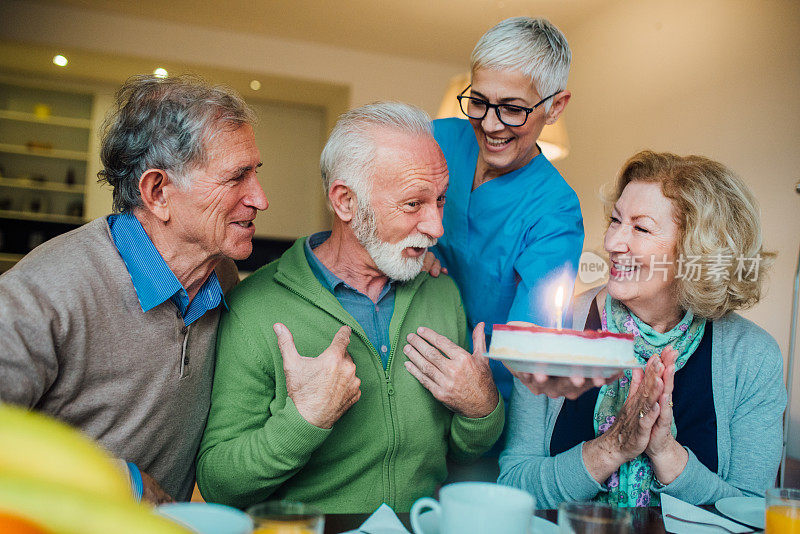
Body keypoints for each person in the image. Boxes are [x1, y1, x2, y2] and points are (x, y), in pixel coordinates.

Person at [196, 102, 504, 513]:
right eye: (413, 204)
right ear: (345, 202)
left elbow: (465, 452)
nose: (436, 227)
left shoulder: (440, 291)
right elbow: (220, 483)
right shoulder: (256, 307)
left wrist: (482, 407)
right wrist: (304, 420)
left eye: (441, 200)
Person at [0, 75, 269, 503]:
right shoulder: (43, 294)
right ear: (157, 191)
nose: (260, 198)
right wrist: (121, 481)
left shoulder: (220, 275)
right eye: (236, 178)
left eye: (256, 173)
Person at [498, 150, 786, 507]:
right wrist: (612, 447)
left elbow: (752, 511)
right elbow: (514, 486)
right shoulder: (555, 329)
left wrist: (664, 451)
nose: (612, 243)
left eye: (641, 227)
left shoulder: (751, 356)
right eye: (616, 221)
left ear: (698, 252)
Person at [429, 17, 585, 402]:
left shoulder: (556, 211)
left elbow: (530, 342)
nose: (490, 124)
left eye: (513, 109)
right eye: (479, 102)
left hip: (487, 397)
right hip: (404, 361)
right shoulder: (435, 140)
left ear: (555, 107)